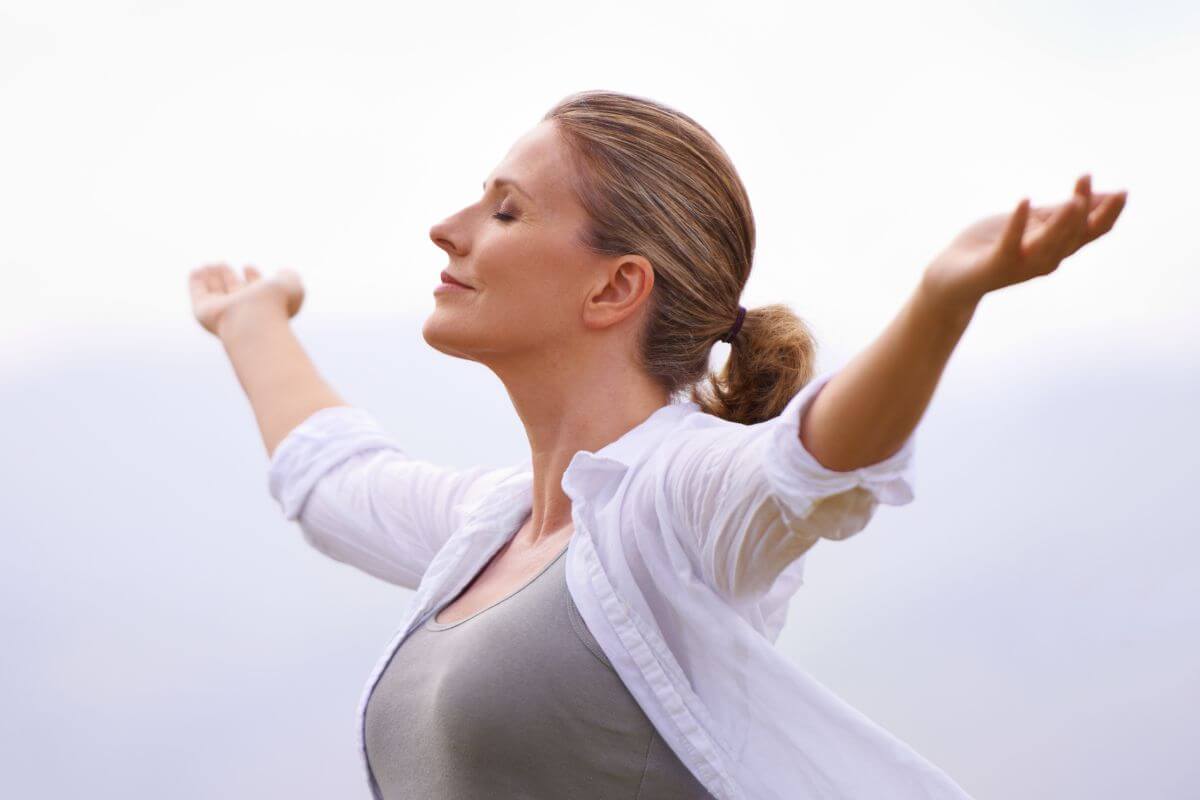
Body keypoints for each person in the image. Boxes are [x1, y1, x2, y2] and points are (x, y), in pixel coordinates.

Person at [189, 89, 1127, 799]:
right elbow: (332, 478)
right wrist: (249, 320)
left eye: (506, 211)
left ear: (613, 290)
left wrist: (939, 303)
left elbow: (811, 463)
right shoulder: (488, 527)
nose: (448, 228)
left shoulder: (674, 497)